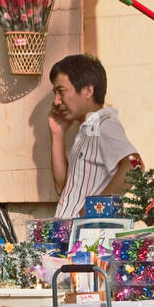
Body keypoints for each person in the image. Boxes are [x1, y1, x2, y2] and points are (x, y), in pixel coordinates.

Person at [48, 53, 139, 218]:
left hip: (89, 238)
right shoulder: (86, 130)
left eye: (61, 91)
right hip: (70, 234)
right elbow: (62, 189)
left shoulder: (104, 124)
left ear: (88, 90)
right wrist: (57, 134)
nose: (57, 101)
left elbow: (135, 165)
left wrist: (94, 210)